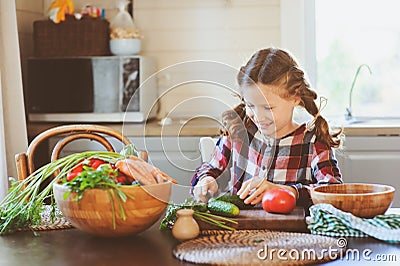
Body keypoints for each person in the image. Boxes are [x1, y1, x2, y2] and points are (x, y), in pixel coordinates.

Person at [191, 47, 343, 209]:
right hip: (239, 230)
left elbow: (332, 190)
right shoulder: (238, 131)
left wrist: (285, 191)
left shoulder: (313, 143)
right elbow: (211, 168)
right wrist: (205, 179)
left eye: (268, 108)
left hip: (294, 233)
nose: (258, 116)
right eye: (250, 105)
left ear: (295, 98)